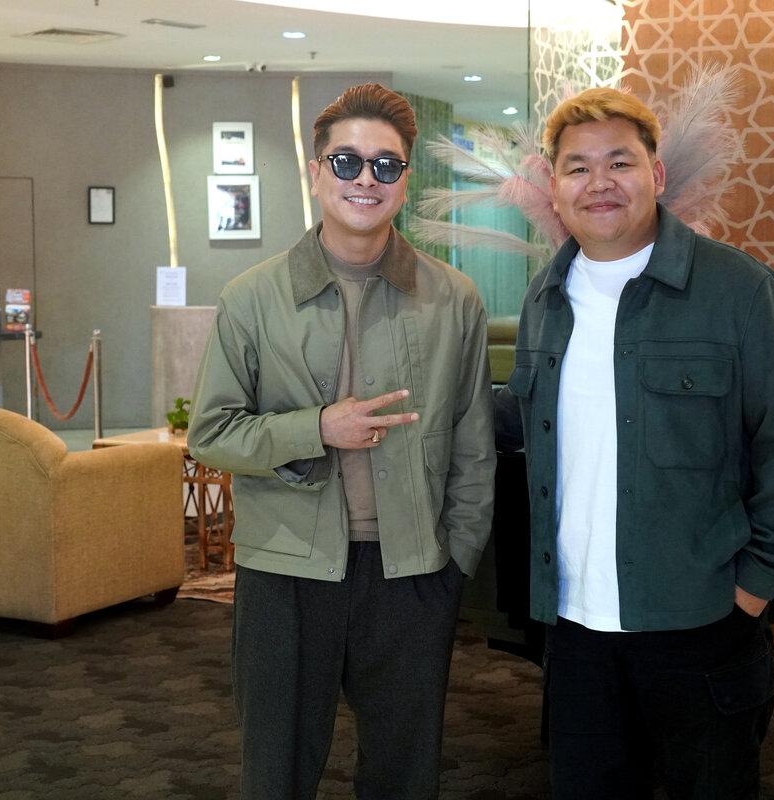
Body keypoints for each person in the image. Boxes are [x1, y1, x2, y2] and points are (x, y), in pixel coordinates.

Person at [494, 87, 774, 799]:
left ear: (658, 174)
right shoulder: (544, 299)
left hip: (702, 622)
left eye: (620, 162)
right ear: (555, 186)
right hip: (575, 632)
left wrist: (751, 590)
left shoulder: (742, 292)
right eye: (578, 167)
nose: (599, 182)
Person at [187, 83, 496, 800]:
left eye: (386, 165)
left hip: (413, 573)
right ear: (316, 171)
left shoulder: (454, 299)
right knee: (277, 771)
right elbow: (211, 432)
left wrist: (456, 561)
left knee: (404, 773)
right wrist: (318, 427)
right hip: (285, 573)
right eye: (347, 161)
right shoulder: (252, 297)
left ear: (404, 180)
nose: (366, 179)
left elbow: (473, 446)